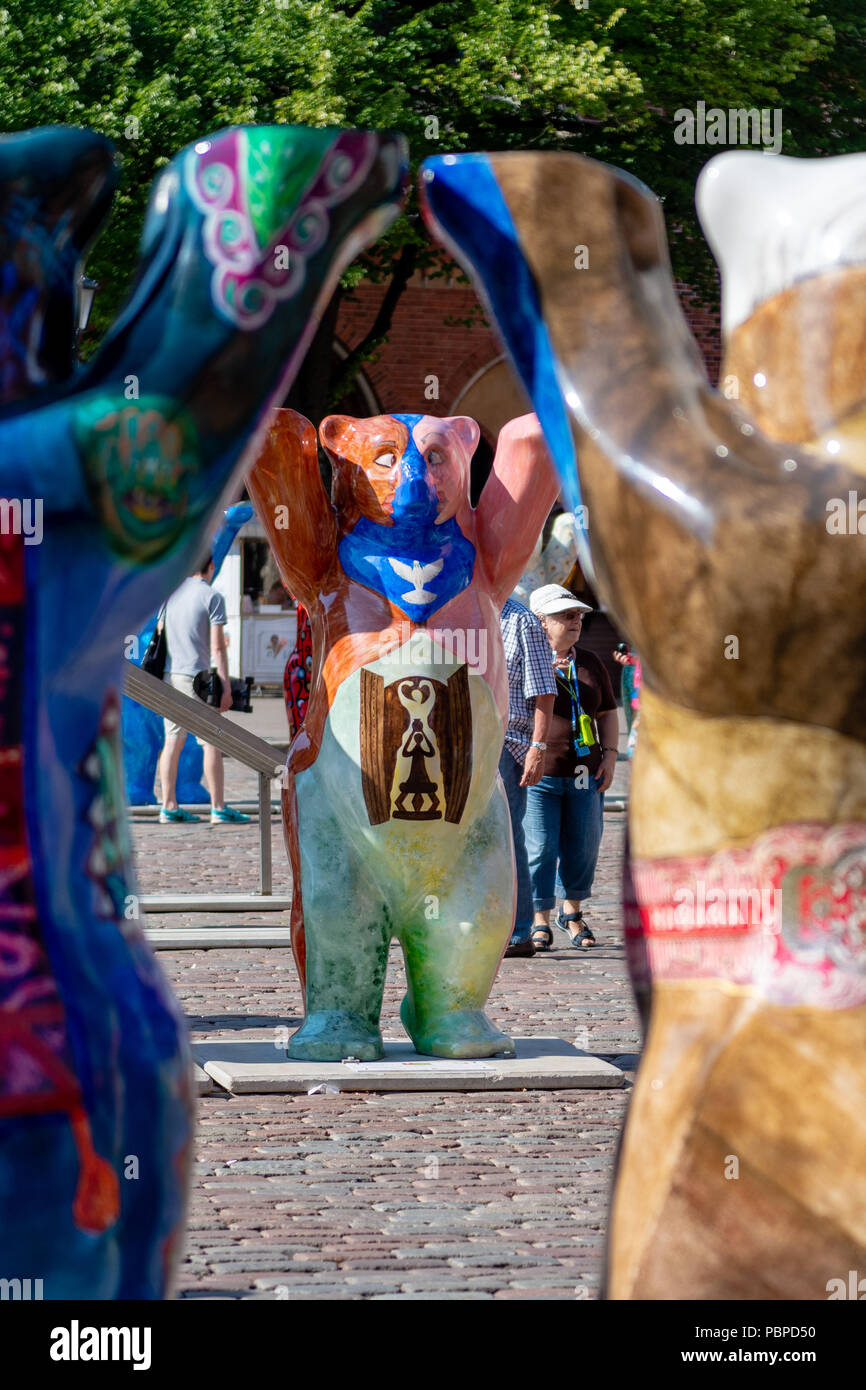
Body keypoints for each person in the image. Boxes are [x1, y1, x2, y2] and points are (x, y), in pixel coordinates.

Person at [526, 584, 618, 950]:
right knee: (541, 847)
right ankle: (539, 919)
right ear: (542, 622)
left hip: (586, 774)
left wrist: (610, 754)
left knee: (583, 845)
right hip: (539, 774)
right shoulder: (525, 659)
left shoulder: (591, 662)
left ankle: (572, 912)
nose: (575, 620)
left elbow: (609, 712)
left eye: (577, 614)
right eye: (565, 615)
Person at [158, 555, 250, 824]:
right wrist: (225, 687)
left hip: (169, 676)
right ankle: (218, 806)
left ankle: (168, 805)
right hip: (196, 678)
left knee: (172, 741)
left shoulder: (171, 594)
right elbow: (218, 647)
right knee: (211, 742)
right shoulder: (212, 597)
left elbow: (161, 630)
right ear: (210, 566)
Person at [499, 597, 556, 958]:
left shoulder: (522, 620)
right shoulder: (459, 608)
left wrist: (538, 746)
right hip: (461, 737)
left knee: (505, 832)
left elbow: (543, 690)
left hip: (508, 741)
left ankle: (520, 931)